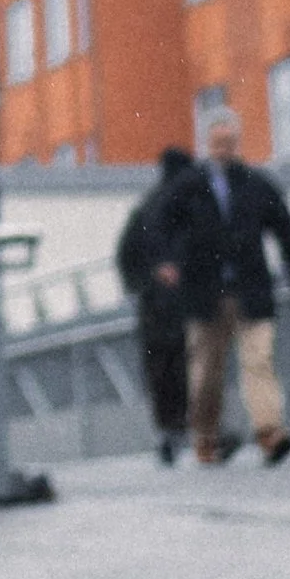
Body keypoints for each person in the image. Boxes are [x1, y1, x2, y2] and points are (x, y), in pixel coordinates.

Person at [171, 107, 290, 469]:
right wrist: (167, 264)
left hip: (250, 291)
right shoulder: (188, 188)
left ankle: (270, 434)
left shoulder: (257, 184)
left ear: (238, 143)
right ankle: (205, 436)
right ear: (208, 144)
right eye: (218, 144)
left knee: (259, 361)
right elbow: (160, 229)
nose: (224, 150)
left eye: (229, 143)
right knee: (206, 371)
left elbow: (285, 229)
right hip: (205, 296)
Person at [115, 146, 194, 464]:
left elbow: (124, 256)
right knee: (191, 364)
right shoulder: (190, 206)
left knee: (162, 369)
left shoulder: (145, 208)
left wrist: (143, 283)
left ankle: (169, 430)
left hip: (154, 306)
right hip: (186, 302)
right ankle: (193, 429)